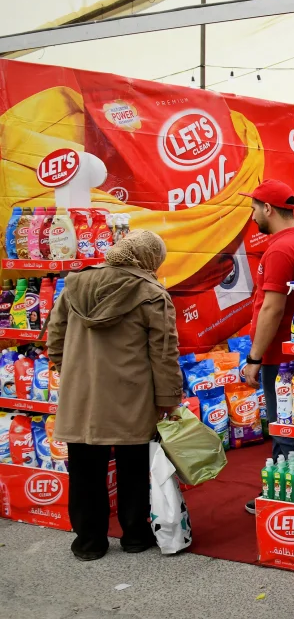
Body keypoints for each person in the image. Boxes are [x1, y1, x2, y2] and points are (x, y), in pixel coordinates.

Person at [45, 230, 181, 560]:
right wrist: (168, 399)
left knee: (84, 470)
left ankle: (89, 542)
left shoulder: (75, 283)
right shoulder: (151, 293)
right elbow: (163, 353)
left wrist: (70, 369)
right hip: (131, 395)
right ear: (148, 259)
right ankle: (135, 536)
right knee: (132, 468)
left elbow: (55, 335)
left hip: (81, 393)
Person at [240, 179, 294, 514]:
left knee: (284, 427)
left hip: (280, 356)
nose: (252, 216)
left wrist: (254, 357)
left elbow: (272, 308)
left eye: (254, 208)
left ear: (268, 208)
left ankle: (283, 496)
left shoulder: (279, 250)